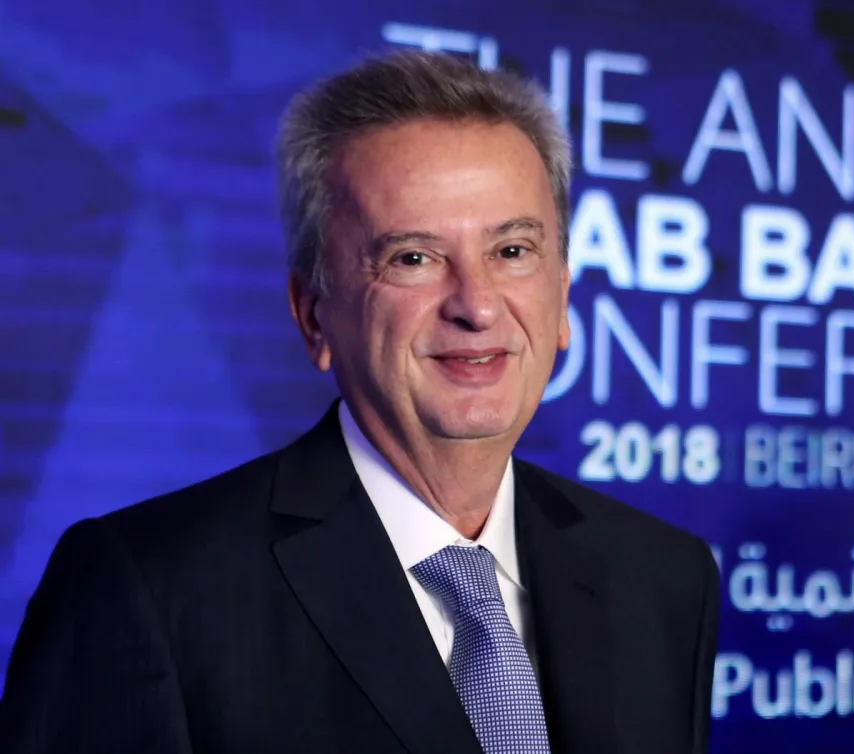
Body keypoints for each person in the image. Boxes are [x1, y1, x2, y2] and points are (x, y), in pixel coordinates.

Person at [0, 51, 720, 753]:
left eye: (511, 251)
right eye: (413, 258)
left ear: (561, 297)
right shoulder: (146, 591)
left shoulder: (663, 579)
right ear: (314, 314)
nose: (476, 306)